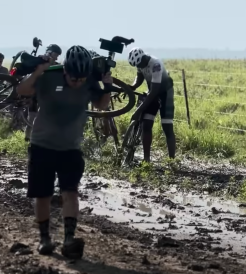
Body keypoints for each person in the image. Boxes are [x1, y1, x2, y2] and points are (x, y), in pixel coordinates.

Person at [17, 45, 112, 259]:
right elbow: (21, 91)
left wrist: (107, 86)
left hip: (70, 148)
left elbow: (102, 105)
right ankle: (44, 239)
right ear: (65, 70)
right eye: (73, 78)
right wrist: (39, 71)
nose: (77, 82)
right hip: (42, 145)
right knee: (43, 195)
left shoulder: (88, 80)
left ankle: (69, 239)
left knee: (70, 192)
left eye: (81, 79)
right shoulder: (50, 77)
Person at [127, 47, 176, 163]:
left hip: (164, 93)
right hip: (152, 91)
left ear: (144, 57)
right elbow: (139, 77)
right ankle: (146, 160)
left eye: (140, 64)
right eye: (137, 65)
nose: (140, 66)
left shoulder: (156, 64)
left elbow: (154, 92)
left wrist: (138, 110)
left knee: (167, 126)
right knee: (146, 124)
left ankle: (171, 160)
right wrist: (132, 87)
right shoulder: (139, 63)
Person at [24, 44, 62, 141]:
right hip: (35, 93)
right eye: (55, 54)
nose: (56, 57)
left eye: (57, 55)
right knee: (32, 116)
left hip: (48, 95)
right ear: (49, 52)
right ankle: (28, 138)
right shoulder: (40, 60)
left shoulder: (57, 66)